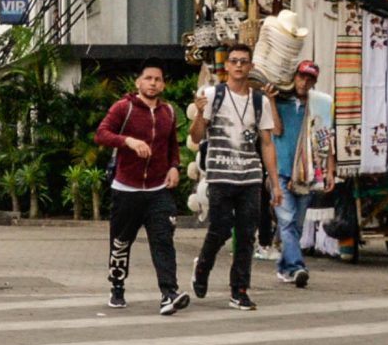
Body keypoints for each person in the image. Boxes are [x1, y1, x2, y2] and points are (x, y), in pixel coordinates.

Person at [189, 42, 280, 310]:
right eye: (234, 61)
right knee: (219, 229)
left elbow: (266, 143)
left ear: (250, 67)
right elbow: (196, 137)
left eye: (244, 61)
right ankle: (203, 267)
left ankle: (239, 289)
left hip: (250, 178)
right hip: (220, 174)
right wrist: (198, 114)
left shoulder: (259, 100)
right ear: (226, 66)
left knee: (246, 233)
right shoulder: (211, 94)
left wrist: (275, 183)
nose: (239, 65)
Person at [93, 63, 185, 312]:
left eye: (158, 79)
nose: (153, 83)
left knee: (163, 240)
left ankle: (169, 293)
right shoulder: (125, 107)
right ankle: (117, 288)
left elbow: (172, 146)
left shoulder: (169, 112)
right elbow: (101, 134)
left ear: (163, 84)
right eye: (148, 78)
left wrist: (175, 166)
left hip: (158, 190)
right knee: (121, 242)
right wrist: (128, 141)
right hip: (127, 189)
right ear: (138, 83)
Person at [270, 61, 333, 286]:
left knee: (296, 224)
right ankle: (297, 268)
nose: (304, 82)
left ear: (314, 82)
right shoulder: (280, 102)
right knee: (287, 222)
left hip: (307, 175)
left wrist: (330, 171)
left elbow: (326, 139)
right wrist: (270, 100)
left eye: (309, 79)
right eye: (301, 77)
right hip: (281, 172)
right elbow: (276, 130)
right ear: (294, 77)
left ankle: (284, 266)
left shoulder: (320, 106)